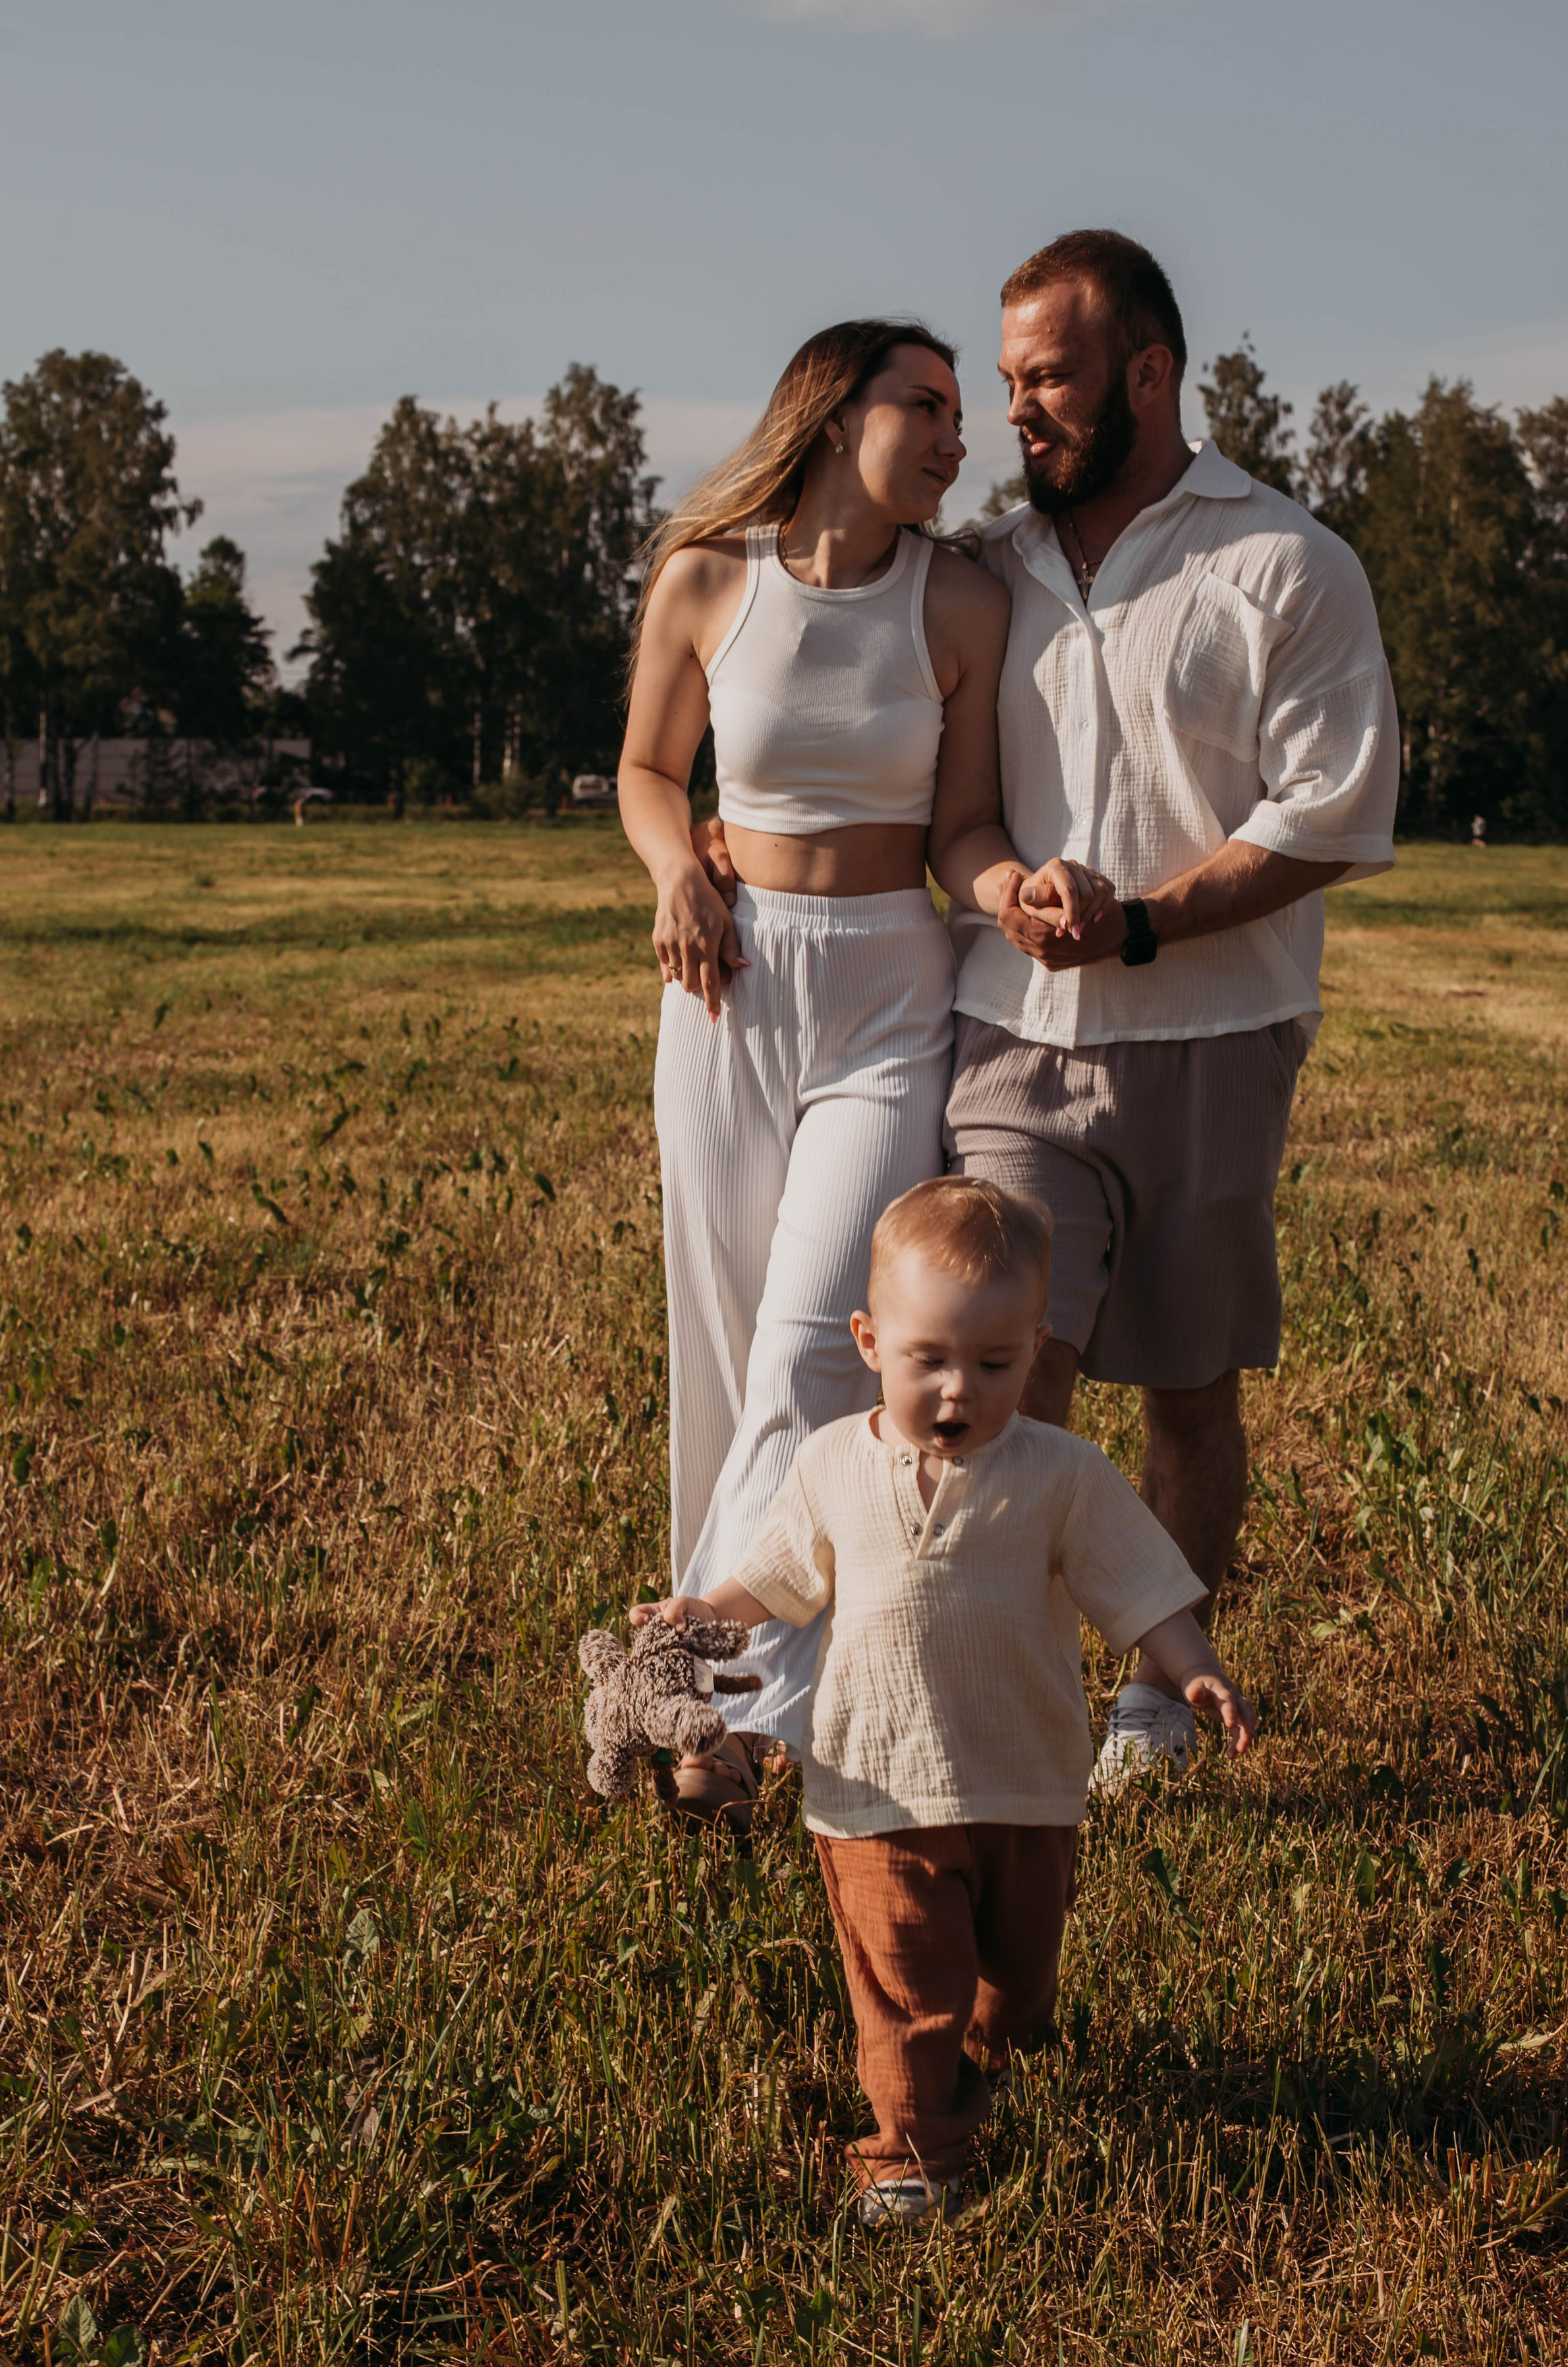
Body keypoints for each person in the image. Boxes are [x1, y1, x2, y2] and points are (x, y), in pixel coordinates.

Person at [618, 318, 1104, 1829]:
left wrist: (1008, 884)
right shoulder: (707, 574)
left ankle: (700, 1687)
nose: (959, 436)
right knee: (719, 1347)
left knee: (811, 1353)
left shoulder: (955, 601)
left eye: (964, 411)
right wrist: (670, 872)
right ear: (833, 416)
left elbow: (958, 825)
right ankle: (764, 1676)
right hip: (724, 987)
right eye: (928, 404)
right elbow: (646, 771)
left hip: (888, 990)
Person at [936, 229, 1399, 1788]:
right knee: (1010, 1372)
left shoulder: (1280, 560)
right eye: (1006, 383)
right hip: (1006, 1039)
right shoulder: (988, 565)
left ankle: (1153, 1693)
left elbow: (1328, 813)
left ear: (1148, 371)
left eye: (1049, 376)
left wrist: (1138, 924)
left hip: (1212, 1042)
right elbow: (891, 747)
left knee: (1188, 1392)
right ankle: (1010, 1695)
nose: (1019, 411)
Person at [633, 1176, 1254, 2223]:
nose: (959, 1391)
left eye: (995, 1364)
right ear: (871, 1341)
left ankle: (999, 2053)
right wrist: (701, 1615)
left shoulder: (1061, 1474)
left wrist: (1186, 1663)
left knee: (1017, 1984)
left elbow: (1133, 1582)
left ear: (1037, 1345)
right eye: (930, 1361)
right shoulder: (833, 1464)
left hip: (1027, 1785)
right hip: (873, 1787)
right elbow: (780, 1580)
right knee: (907, 1987)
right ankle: (910, 2152)